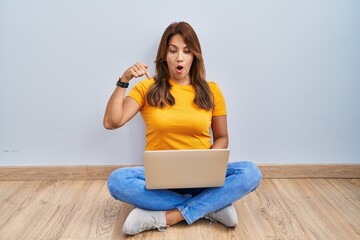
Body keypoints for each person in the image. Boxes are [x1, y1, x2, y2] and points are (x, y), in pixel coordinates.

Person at [104, 21, 262, 235]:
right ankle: (211, 208)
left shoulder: (212, 90)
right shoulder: (147, 88)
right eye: (173, 51)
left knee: (251, 172)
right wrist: (124, 80)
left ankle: (166, 216)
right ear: (164, 56)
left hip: (202, 178)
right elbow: (112, 122)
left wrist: (210, 164)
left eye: (186, 51)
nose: (180, 57)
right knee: (117, 181)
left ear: (194, 56)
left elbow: (222, 137)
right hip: (159, 181)